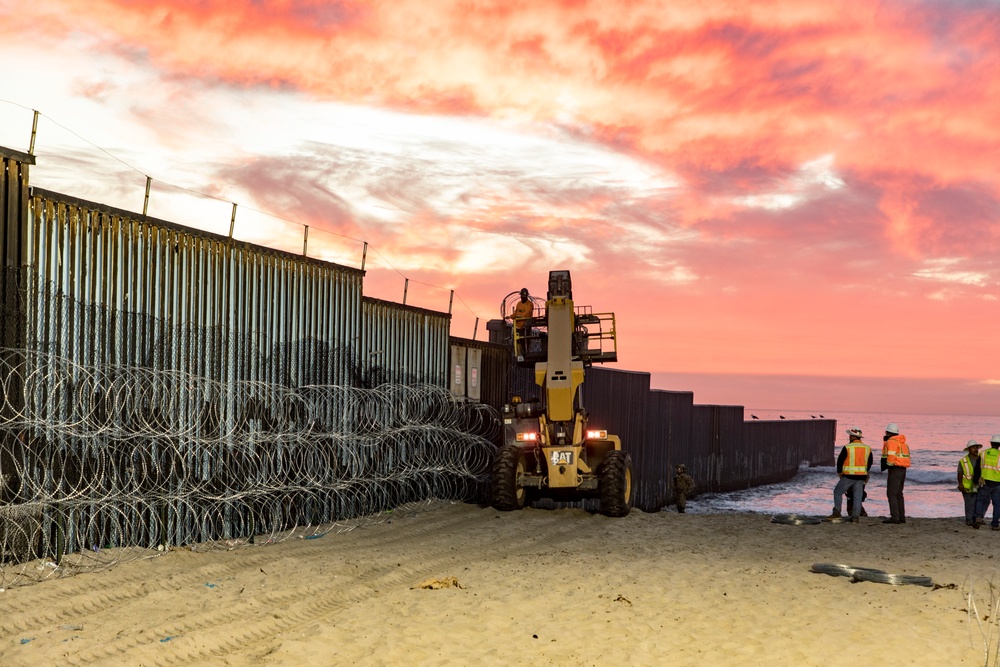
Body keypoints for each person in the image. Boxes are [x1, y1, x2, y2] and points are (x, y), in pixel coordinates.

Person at [827, 428, 873, 523]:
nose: (849, 437)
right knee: (857, 496)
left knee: (838, 492)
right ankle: (855, 517)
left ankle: (836, 513)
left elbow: (840, 460)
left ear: (852, 437)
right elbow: (870, 462)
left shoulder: (848, 447)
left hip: (849, 475)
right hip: (861, 476)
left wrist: (839, 472)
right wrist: (865, 471)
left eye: (850, 435)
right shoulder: (867, 448)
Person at [880, 422, 910, 524]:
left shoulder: (891, 442)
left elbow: (891, 457)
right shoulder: (902, 443)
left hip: (895, 469)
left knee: (891, 493)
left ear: (888, 432)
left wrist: (888, 466)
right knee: (899, 493)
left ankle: (895, 517)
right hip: (903, 469)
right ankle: (901, 517)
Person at [972, 435, 1000, 530]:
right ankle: (995, 524)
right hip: (997, 483)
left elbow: (977, 469)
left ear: (991, 443)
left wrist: (975, 481)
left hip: (985, 482)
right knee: (997, 504)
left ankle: (978, 518)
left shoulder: (983, 453)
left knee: (980, 500)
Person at [958, 440, 983, 527]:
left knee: (979, 503)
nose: (975, 449)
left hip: (980, 485)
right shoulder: (963, 460)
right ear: (969, 449)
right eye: (973, 447)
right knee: (969, 503)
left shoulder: (981, 459)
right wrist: (960, 484)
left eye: (976, 447)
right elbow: (960, 473)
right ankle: (969, 520)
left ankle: (976, 519)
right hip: (967, 485)